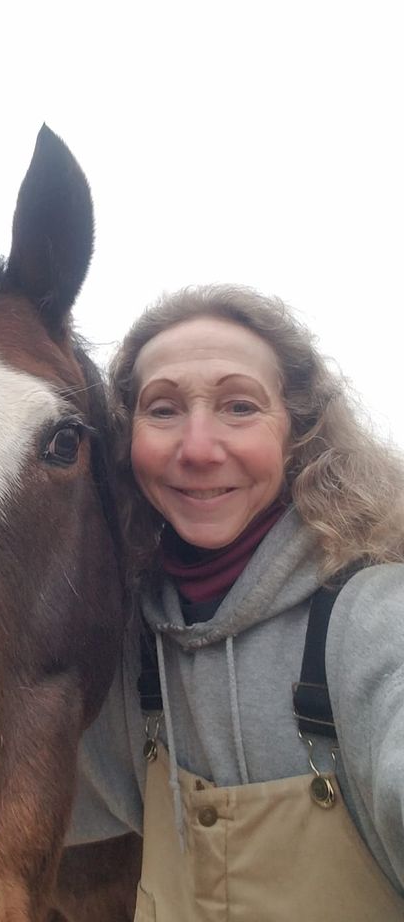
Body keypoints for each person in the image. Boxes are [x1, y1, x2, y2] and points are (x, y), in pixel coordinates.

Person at [66, 285, 404, 920]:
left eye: (239, 406)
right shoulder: (133, 655)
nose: (197, 448)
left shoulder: (372, 617)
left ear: (298, 431)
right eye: (162, 411)